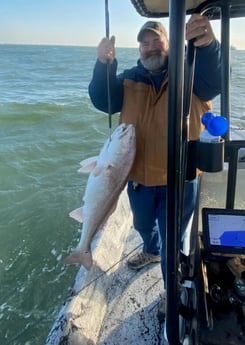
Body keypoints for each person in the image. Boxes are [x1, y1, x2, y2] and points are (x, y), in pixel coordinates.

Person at [88, 14, 221, 311]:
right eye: (144, 44)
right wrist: (104, 65)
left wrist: (209, 45)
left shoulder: (191, 72)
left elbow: (213, 83)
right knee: (144, 225)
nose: (150, 48)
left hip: (180, 178)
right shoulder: (130, 80)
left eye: (155, 40)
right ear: (138, 50)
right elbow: (103, 101)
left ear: (169, 43)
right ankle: (150, 250)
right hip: (138, 179)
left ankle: (171, 293)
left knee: (173, 240)